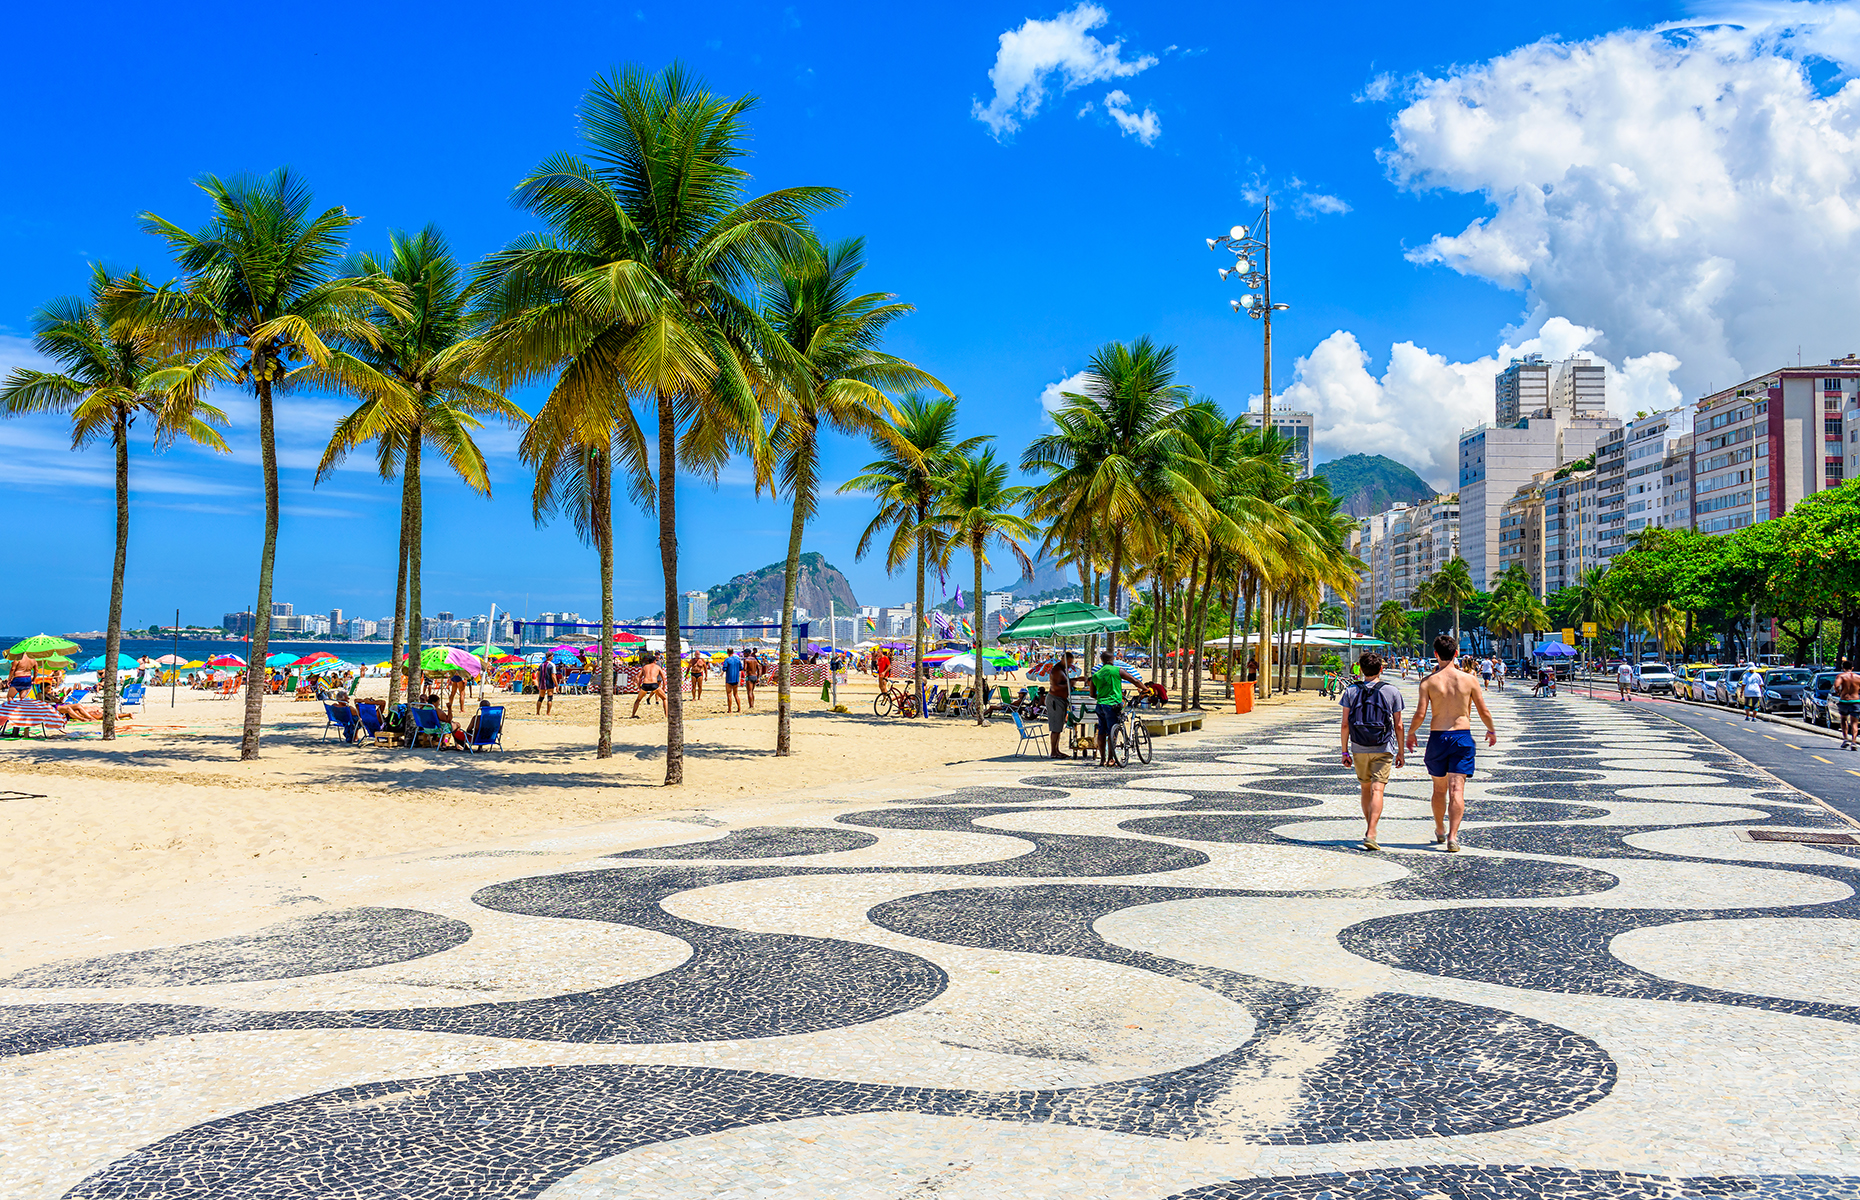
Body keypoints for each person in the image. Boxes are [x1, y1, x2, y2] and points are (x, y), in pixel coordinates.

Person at [1406, 633, 1497, 853]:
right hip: (1462, 737)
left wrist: (1411, 733)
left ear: (1436, 654)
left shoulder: (1428, 681)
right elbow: (1483, 710)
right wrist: (1491, 730)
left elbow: (1420, 713)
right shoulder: (1469, 679)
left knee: (1439, 790)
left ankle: (1439, 829)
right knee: (1457, 790)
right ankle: (1453, 837)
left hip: (1438, 737)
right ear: (1456, 654)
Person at [1339, 652, 1404, 851]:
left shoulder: (1350, 691)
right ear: (1381, 669)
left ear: (1360, 669)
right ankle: (1371, 832)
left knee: (1366, 788)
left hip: (1358, 746)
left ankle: (1370, 828)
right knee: (1378, 789)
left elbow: (1344, 725)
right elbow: (1399, 725)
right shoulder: (1391, 691)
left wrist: (1344, 752)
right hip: (1383, 746)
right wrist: (1400, 752)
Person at [1090, 650, 1145, 768]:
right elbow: (1134, 680)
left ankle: (1102, 759)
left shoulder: (1096, 674)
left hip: (1100, 705)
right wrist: (1145, 689)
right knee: (1112, 731)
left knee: (1101, 731)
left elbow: (1092, 694)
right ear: (1112, 660)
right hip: (1112, 705)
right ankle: (1110, 759)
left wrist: (1102, 696)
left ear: (1102, 660)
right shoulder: (1118, 670)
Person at [1045, 650, 1075, 758]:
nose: (1071, 664)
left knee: (1058, 727)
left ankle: (1057, 750)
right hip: (1055, 700)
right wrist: (1072, 682)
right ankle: (1053, 752)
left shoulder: (1063, 669)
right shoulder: (1057, 670)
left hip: (1061, 700)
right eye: (1069, 662)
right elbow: (1056, 686)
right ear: (1063, 659)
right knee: (1055, 728)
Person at [1834, 658, 1860, 751]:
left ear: (1843, 668)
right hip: (1856, 701)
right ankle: (1854, 742)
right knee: (1854, 722)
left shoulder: (1841, 676)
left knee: (1844, 720)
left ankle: (1845, 739)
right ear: (1852, 668)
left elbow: (1836, 686)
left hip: (1844, 700)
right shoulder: (1858, 677)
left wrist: (1839, 692)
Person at [631, 652, 665, 717]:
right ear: (654, 660)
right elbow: (664, 677)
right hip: (654, 681)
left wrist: (639, 687)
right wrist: (664, 687)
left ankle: (633, 715)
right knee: (664, 698)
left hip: (645, 684)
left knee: (638, 700)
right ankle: (666, 715)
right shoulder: (657, 665)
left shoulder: (645, 667)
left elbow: (638, 677)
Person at [722, 648, 745, 713]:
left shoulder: (727, 660)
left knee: (729, 694)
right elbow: (741, 668)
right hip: (736, 679)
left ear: (727, 652)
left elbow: (724, 668)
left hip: (729, 679)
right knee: (736, 694)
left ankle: (729, 710)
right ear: (733, 652)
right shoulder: (737, 660)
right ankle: (739, 709)